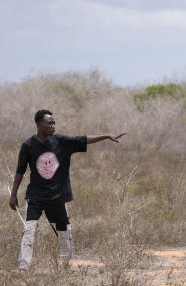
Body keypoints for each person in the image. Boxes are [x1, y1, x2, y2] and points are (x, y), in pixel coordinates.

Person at [9, 109, 126, 270]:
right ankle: (23, 267)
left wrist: (106, 136)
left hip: (57, 198)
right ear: (39, 124)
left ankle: (64, 265)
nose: (53, 126)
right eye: (49, 123)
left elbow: (84, 139)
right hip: (35, 197)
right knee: (29, 231)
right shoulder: (28, 146)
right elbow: (20, 171)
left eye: (54, 123)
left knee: (64, 234)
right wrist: (13, 194)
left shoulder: (62, 142)